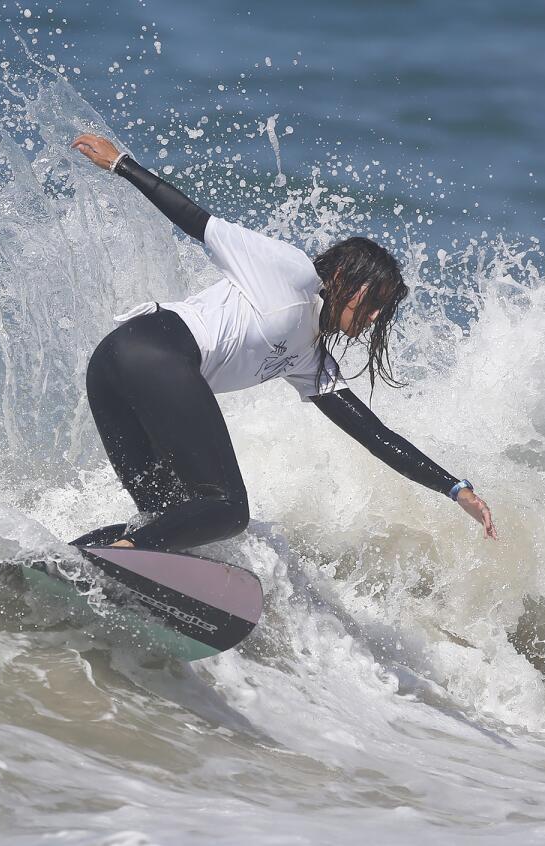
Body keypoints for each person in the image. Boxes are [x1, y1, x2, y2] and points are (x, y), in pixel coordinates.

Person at [68, 133, 497, 552]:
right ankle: (120, 554)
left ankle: (63, 562)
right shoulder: (291, 271)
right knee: (227, 509)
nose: (376, 318)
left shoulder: (308, 359)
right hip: (153, 355)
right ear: (348, 280)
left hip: (113, 365)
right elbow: (198, 221)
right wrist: (122, 165)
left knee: (167, 518)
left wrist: (455, 488)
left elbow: (374, 434)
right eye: (374, 303)